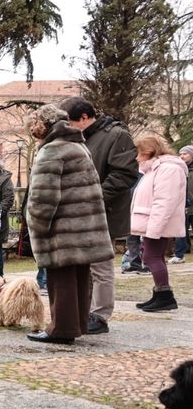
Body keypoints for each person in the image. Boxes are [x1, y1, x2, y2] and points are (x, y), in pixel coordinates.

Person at [24, 104, 114, 344]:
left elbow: (44, 198)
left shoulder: (52, 150)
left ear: (42, 126)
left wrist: (37, 226)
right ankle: (77, 325)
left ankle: (61, 329)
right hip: (83, 226)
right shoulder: (78, 146)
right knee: (80, 278)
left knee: (61, 279)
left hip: (62, 228)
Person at [57, 96, 139, 334]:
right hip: (80, 213)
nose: (67, 128)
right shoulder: (79, 138)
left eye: (70, 122)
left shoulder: (117, 135)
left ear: (84, 118)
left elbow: (124, 175)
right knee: (82, 267)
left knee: (101, 267)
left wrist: (93, 197)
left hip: (104, 212)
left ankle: (100, 315)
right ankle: (83, 311)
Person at [130, 133, 187, 313]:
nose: (137, 157)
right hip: (154, 221)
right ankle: (160, 293)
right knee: (154, 256)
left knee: (151, 257)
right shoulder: (155, 169)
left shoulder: (168, 169)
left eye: (139, 152)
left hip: (158, 223)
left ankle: (165, 296)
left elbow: (164, 202)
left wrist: (154, 229)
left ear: (149, 151)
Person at [169, 145, 193, 264]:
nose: (182, 156)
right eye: (181, 154)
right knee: (180, 230)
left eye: (185, 154)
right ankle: (179, 255)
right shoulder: (179, 169)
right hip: (182, 204)